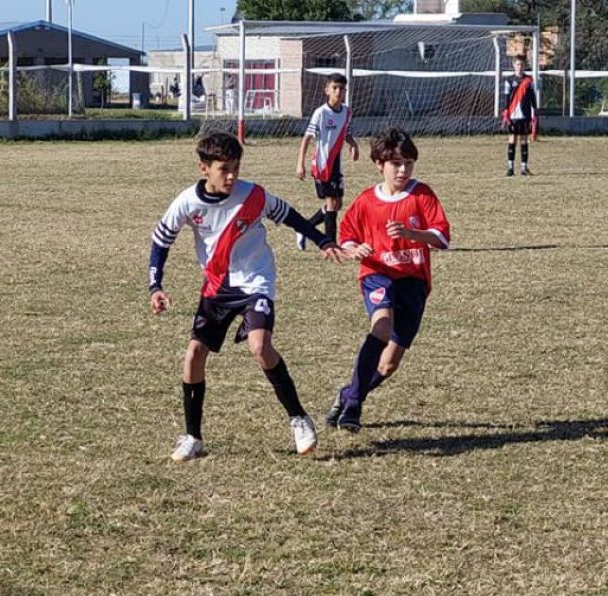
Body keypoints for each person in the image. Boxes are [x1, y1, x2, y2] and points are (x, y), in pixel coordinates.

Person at [148, 133, 344, 462]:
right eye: (224, 169)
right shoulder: (186, 203)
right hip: (217, 287)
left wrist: (323, 241)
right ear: (203, 168)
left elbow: (290, 215)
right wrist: (156, 287)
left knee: (259, 346)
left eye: (236, 168)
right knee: (194, 355)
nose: (232, 176)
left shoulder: (253, 196)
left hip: (256, 280)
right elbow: (160, 242)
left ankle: (299, 419)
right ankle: (193, 436)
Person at [325, 127, 451, 432]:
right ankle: (353, 407)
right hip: (377, 274)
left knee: (388, 364)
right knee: (381, 327)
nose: (403, 170)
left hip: (413, 283)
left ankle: (348, 393)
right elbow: (346, 238)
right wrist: (354, 249)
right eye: (396, 164)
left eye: (408, 163)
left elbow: (442, 238)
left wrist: (412, 234)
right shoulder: (367, 200)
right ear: (379, 164)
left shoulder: (422, 194)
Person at [295, 73, 360, 250]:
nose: (339, 92)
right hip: (322, 165)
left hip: (336, 166)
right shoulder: (321, 113)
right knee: (332, 203)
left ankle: (305, 229)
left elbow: (346, 133)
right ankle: (331, 244)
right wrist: (300, 163)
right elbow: (307, 138)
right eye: (335, 88)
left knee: (337, 204)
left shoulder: (346, 112)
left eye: (342, 88)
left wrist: (353, 144)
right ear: (327, 90)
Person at [502, 55, 539, 177]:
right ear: (514, 65)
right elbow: (507, 98)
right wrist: (506, 112)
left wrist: (535, 111)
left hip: (525, 114)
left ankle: (524, 168)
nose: (520, 67)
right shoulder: (509, 80)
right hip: (513, 115)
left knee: (524, 140)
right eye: (518, 64)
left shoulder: (529, 80)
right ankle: (510, 168)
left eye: (522, 65)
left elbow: (533, 97)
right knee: (512, 139)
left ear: (524, 66)